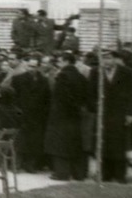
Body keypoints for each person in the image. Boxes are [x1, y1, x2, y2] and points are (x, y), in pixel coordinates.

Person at [90, 50, 132, 183]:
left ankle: (120, 175)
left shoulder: (125, 72)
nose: (106, 61)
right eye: (103, 58)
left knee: (119, 144)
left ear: (115, 59)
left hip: (119, 114)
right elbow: (91, 93)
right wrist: (95, 107)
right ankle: (105, 173)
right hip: (103, 114)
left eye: (109, 58)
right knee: (103, 144)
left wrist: (130, 113)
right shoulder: (96, 72)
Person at [44, 52, 88, 181]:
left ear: (66, 61)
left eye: (60, 61)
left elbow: (61, 98)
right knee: (75, 144)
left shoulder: (62, 77)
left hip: (61, 116)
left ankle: (61, 173)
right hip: (75, 116)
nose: (59, 63)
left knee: (60, 145)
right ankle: (78, 173)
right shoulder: (81, 77)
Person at [10, 53, 50, 173]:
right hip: (23, 114)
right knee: (21, 140)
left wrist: (43, 114)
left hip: (37, 116)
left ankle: (31, 165)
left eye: (34, 67)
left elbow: (47, 99)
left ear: (38, 67)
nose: (31, 69)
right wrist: (17, 111)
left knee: (35, 141)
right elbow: (13, 97)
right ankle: (18, 164)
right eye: (29, 66)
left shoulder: (44, 81)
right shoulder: (18, 79)